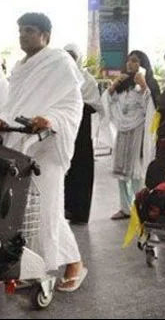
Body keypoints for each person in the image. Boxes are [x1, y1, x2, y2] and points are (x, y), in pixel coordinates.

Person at [0, 12, 86, 292]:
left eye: (29, 30)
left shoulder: (60, 62)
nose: (23, 35)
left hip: (48, 149)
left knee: (49, 209)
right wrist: (0, 118)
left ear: (46, 35)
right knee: (22, 211)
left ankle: (74, 263)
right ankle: (30, 266)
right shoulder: (20, 67)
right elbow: (14, 105)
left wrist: (50, 119)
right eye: (20, 30)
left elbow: (71, 105)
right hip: (20, 144)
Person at [104, 51, 156, 221]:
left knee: (136, 173)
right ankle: (124, 208)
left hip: (138, 131)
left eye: (134, 61)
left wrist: (144, 87)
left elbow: (152, 107)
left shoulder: (148, 83)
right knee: (120, 171)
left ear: (142, 64)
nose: (130, 64)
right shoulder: (123, 82)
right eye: (128, 61)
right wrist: (112, 87)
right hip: (123, 130)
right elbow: (109, 103)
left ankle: (141, 208)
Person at [62, 43, 104, 225]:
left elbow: (95, 104)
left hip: (81, 131)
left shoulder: (88, 80)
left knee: (80, 170)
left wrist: (76, 104)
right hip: (63, 130)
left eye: (72, 55)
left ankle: (79, 212)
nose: (69, 58)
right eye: (66, 55)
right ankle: (63, 209)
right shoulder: (58, 77)